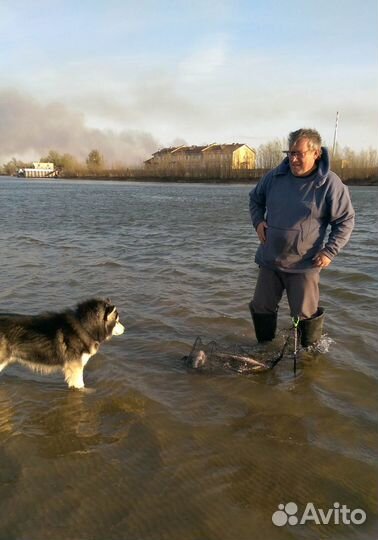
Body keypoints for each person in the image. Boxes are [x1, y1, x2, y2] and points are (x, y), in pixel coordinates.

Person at [249, 128, 355, 347]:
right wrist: (258, 221)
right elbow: (255, 199)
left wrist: (330, 251)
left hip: (304, 265)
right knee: (261, 307)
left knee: (305, 317)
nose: (293, 159)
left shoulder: (330, 184)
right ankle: (264, 350)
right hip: (270, 261)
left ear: (316, 153)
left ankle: (309, 362)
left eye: (299, 154)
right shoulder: (274, 177)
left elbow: (345, 221)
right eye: (290, 153)